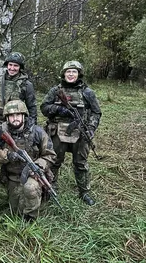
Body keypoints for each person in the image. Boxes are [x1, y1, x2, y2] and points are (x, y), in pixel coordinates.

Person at [40, 61, 101, 205]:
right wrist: (58, 109)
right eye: (68, 72)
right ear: (64, 73)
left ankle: (84, 192)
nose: (71, 74)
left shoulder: (87, 92)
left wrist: (91, 128)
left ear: (79, 74)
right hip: (57, 131)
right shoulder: (55, 91)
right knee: (54, 162)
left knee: (80, 164)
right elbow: (44, 107)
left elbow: (96, 112)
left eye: (74, 72)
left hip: (80, 132)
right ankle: (50, 189)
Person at [0, 100, 56, 221]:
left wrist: (37, 165)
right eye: (11, 116)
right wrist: (7, 156)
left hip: (33, 176)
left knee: (30, 189)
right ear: (7, 118)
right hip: (12, 176)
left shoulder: (37, 132)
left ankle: (31, 218)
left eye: (18, 115)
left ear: (24, 116)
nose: (15, 118)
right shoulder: (1, 133)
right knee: (15, 212)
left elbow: (50, 155)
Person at [0, 52, 37, 129]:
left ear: (20, 67)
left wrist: (32, 126)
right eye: (10, 65)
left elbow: (32, 108)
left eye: (15, 66)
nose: (12, 68)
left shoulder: (26, 85)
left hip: (16, 124)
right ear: (7, 65)